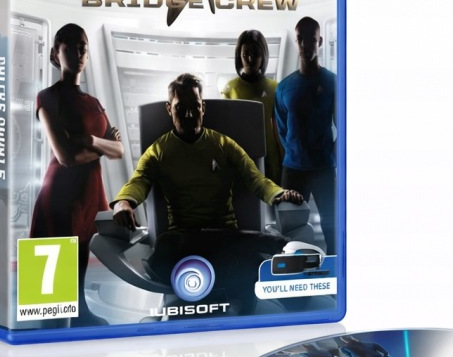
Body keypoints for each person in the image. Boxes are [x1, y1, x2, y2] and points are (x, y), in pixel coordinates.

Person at [111, 73, 303, 312]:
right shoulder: (158, 151)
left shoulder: (223, 144)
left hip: (226, 235)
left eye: (195, 107)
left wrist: (278, 194)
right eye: (180, 108)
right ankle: (270, 246)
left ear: (203, 107)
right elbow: (138, 181)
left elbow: (256, 179)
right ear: (169, 109)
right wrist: (123, 203)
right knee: (166, 247)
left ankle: (265, 267)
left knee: (239, 255)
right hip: (183, 239)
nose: (189, 115)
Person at [30, 23, 124, 326]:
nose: (79, 51)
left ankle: (81, 314)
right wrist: (104, 146)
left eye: (83, 46)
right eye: (70, 46)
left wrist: (90, 140)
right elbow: (66, 157)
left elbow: (120, 150)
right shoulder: (47, 97)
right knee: (49, 308)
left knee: (79, 272)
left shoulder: (94, 103)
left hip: (87, 196)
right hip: (59, 198)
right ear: (55, 53)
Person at [274, 16, 337, 254]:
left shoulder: (332, 82)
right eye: (300, 39)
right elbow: (281, 128)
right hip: (293, 170)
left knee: (333, 230)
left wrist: (332, 154)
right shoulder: (284, 87)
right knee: (289, 233)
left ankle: (334, 273)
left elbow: (344, 125)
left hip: (323, 169)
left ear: (319, 41)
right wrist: (294, 153)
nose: (304, 45)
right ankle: (292, 274)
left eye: (311, 39)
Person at [221, 29, 283, 185]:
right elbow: (225, 132)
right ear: (239, 56)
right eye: (246, 54)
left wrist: (284, 162)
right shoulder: (229, 89)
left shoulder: (275, 88)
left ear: (263, 56)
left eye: (256, 54)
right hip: (240, 159)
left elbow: (279, 131)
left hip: (270, 160)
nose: (250, 59)